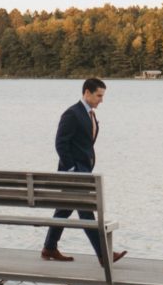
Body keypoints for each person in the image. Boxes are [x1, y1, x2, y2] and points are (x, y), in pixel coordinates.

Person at [42, 77, 126, 265]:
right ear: (87, 93)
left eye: (102, 96)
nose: (101, 100)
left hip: (83, 172)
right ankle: (105, 255)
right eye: (98, 95)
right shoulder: (72, 114)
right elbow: (60, 143)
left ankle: (49, 247)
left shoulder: (89, 114)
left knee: (63, 210)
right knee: (87, 213)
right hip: (75, 174)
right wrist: (72, 169)